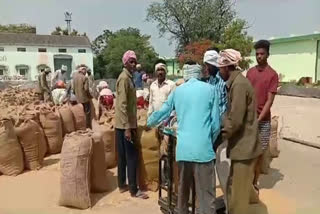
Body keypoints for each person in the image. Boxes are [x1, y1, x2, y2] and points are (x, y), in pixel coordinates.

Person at [148, 63, 221, 214]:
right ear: (199, 74)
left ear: (186, 75)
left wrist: (149, 122)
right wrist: (207, 142)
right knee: (206, 196)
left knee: (182, 193)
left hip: (183, 151)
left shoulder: (178, 91)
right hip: (203, 151)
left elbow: (163, 111)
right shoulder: (211, 90)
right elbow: (215, 125)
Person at [218, 49, 262, 214]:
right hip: (242, 146)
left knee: (238, 194)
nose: (219, 71)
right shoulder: (236, 83)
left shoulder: (239, 85)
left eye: (220, 68)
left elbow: (235, 120)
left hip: (245, 147)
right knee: (237, 185)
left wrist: (220, 136)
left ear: (227, 67)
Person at [246, 40, 279, 192]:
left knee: (259, 153)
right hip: (248, 119)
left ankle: (254, 181)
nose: (259, 56)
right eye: (257, 54)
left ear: (268, 54)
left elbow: (269, 101)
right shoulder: (250, 73)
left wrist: (258, 120)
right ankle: (245, 180)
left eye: (262, 54)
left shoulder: (272, 75)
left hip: (263, 121)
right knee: (247, 151)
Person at [115, 50, 148, 199]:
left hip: (121, 124)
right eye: (131, 61)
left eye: (135, 61)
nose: (134, 64)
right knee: (131, 156)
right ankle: (134, 190)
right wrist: (128, 127)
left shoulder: (129, 78)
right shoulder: (124, 79)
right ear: (125, 62)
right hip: (125, 125)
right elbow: (122, 105)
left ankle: (122, 185)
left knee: (122, 156)